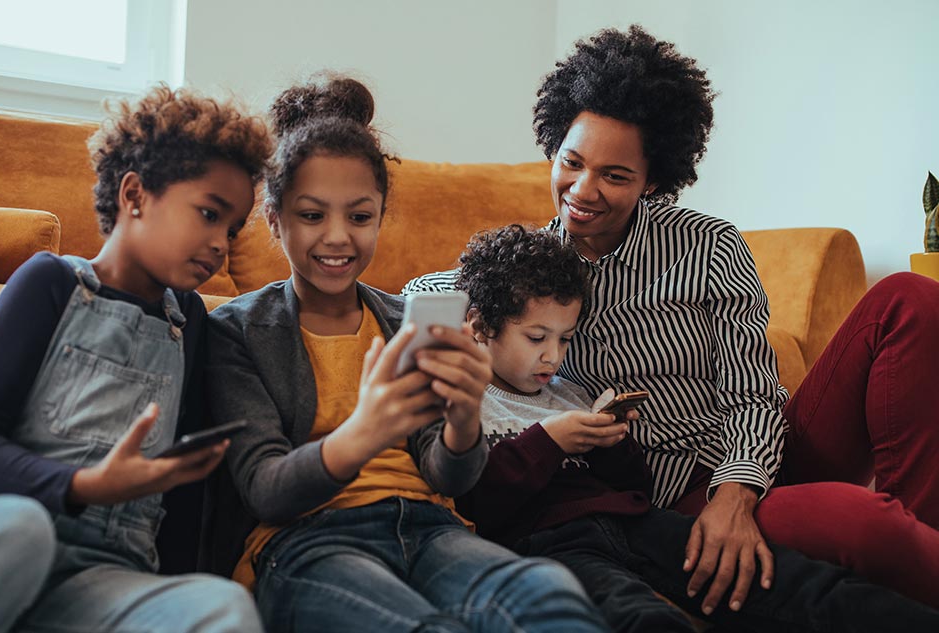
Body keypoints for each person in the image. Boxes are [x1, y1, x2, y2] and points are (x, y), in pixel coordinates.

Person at [404, 25, 939, 611]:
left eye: (615, 175)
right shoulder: (530, 276)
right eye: (572, 162)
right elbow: (424, 292)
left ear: (653, 179)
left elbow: (753, 393)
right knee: (864, 524)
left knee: (909, 298)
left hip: (745, 467)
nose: (582, 190)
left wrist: (734, 494)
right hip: (661, 505)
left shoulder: (707, 244)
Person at [0, 85, 273, 633]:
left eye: (232, 227)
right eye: (208, 213)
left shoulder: (191, 320)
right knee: (22, 526)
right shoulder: (50, 282)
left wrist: (168, 587)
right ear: (135, 195)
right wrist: (83, 487)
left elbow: (181, 496)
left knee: (220, 606)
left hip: (99, 581)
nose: (221, 243)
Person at [204, 74, 609, 633]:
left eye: (360, 216)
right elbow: (266, 489)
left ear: (380, 216)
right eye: (312, 215)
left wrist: (464, 418)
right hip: (310, 542)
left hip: (430, 529)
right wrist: (365, 432)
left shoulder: (402, 318)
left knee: (551, 597)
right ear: (275, 220)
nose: (339, 237)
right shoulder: (235, 331)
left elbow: (450, 477)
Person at [454, 223, 939, 632]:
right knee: (640, 614)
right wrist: (549, 440)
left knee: (799, 584)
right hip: (575, 539)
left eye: (565, 340)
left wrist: (612, 440)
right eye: (538, 338)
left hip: (650, 517)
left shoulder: (570, 392)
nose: (553, 356)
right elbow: (473, 497)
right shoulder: (467, 394)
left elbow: (632, 488)